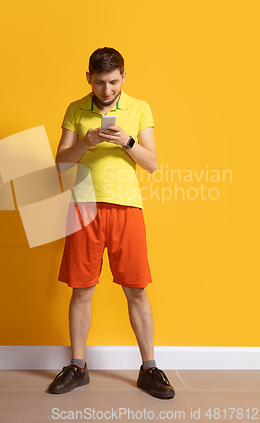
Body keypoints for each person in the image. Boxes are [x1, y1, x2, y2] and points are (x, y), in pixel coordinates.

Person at [48, 47, 175, 399]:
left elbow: (151, 163)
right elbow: (61, 163)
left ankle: (150, 368)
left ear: (123, 76)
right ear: (89, 77)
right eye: (101, 82)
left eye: (114, 81)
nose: (107, 90)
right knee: (82, 288)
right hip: (84, 208)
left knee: (136, 288)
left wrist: (128, 141)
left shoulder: (139, 107)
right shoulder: (76, 109)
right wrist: (85, 144)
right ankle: (78, 366)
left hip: (126, 208)